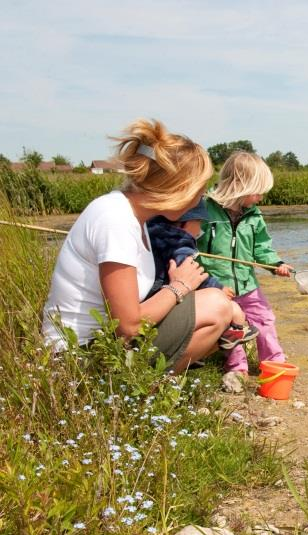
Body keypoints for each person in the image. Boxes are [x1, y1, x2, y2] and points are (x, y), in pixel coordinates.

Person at [42, 119, 232, 370]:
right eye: (201, 190)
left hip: (104, 343)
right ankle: (138, 393)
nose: (201, 198)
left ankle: (147, 390)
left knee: (219, 307)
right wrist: (180, 287)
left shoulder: (135, 218)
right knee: (216, 306)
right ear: (180, 190)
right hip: (78, 356)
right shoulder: (115, 219)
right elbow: (128, 326)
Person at [196, 151, 292, 392]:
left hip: (247, 284)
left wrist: (275, 264)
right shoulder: (206, 211)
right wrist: (204, 275)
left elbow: (261, 248)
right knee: (233, 328)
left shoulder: (254, 216)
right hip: (217, 286)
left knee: (265, 319)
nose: (260, 198)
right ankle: (237, 367)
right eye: (258, 191)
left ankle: (273, 361)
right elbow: (191, 245)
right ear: (240, 186)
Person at [146, 199, 260, 350]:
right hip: (158, 302)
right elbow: (190, 271)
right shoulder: (178, 240)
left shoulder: (153, 230)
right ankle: (222, 336)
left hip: (153, 299)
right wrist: (218, 287)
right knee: (235, 311)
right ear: (184, 223)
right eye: (199, 222)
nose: (200, 230)